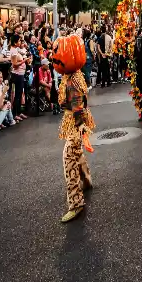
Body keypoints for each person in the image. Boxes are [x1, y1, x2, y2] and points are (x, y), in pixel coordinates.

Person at [57, 38, 95, 223]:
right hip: (74, 121)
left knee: (68, 159)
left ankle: (76, 203)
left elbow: (77, 105)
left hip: (75, 123)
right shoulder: (73, 74)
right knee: (76, 152)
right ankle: (87, 179)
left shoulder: (72, 81)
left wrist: (81, 127)